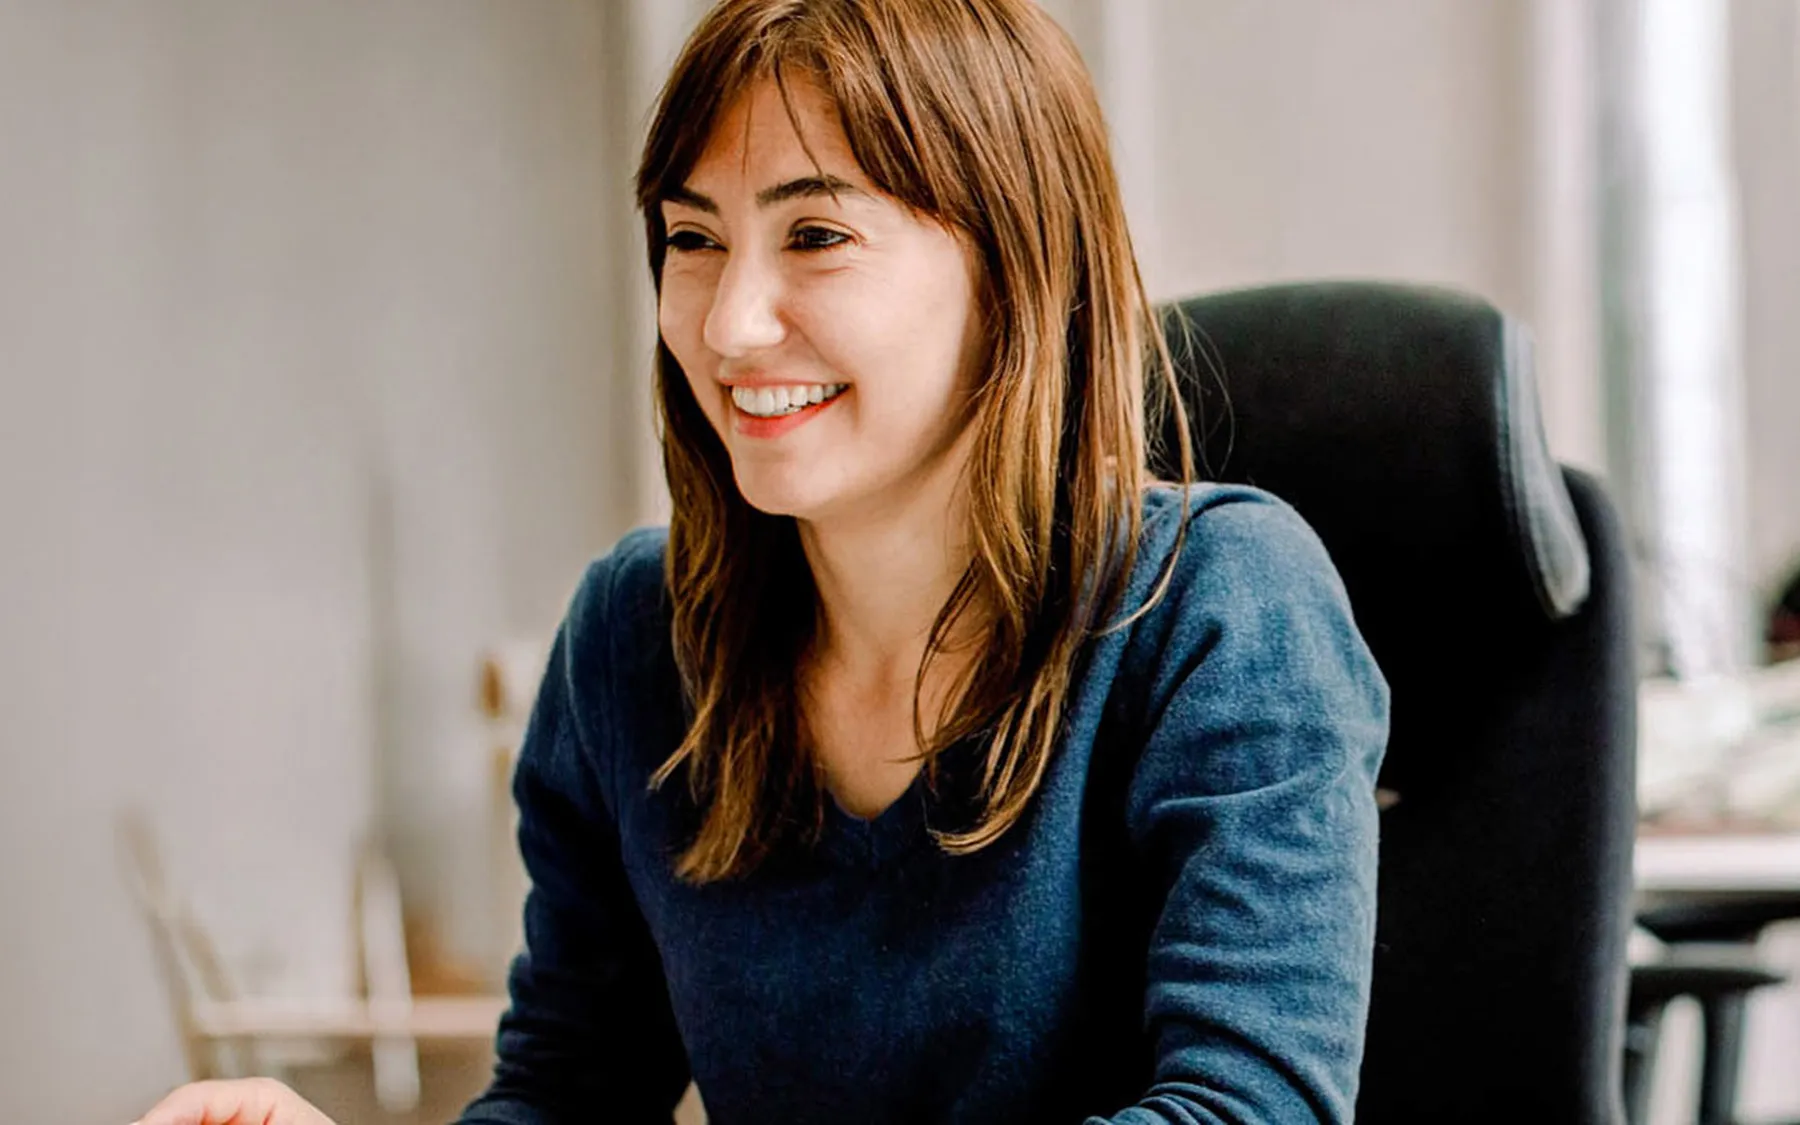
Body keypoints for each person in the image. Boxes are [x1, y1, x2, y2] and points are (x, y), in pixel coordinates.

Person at [134, 1, 1389, 1122]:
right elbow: (567, 1094)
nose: (729, 323)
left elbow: (1245, 1108)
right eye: (693, 239)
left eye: (817, 237)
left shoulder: (1218, 607)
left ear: (1013, 271)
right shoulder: (633, 637)